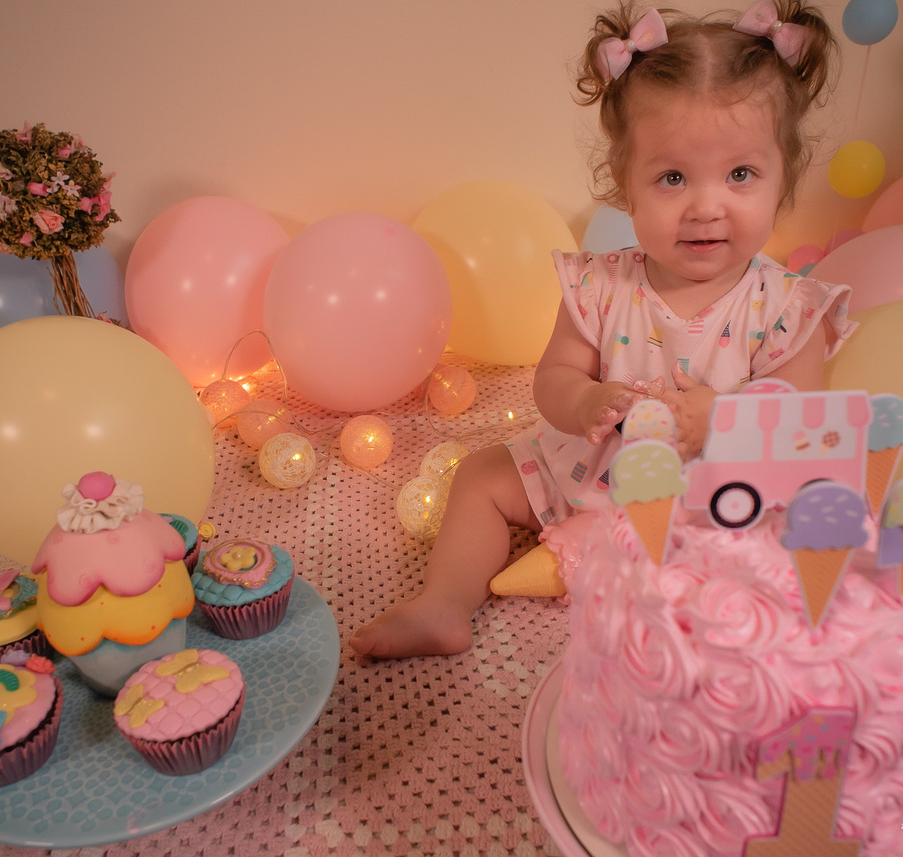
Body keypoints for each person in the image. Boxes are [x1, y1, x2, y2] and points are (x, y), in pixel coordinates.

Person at [350, 0, 854, 659]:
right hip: (596, 468)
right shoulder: (600, 284)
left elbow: (802, 434)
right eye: (672, 177)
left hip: (709, 499)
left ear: (782, 179)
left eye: (740, 174)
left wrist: (727, 421)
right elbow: (553, 379)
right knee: (480, 475)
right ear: (627, 185)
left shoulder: (788, 308)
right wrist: (584, 400)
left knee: (782, 543)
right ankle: (444, 602)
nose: (707, 205)